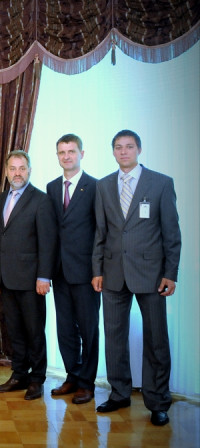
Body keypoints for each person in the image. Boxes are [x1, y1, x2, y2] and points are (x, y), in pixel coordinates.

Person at [92, 130, 181, 427]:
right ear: (113, 152)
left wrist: (170, 273)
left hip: (151, 275)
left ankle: (158, 402)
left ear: (139, 149)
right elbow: (100, 232)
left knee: (156, 339)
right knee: (114, 338)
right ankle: (119, 393)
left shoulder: (161, 183)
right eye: (118, 147)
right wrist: (97, 270)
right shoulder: (104, 185)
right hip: (113, 274)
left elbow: (172, 233)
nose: (124, 151)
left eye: (129, 147)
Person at [0, 150, 57, 401]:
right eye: (13, 168)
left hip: (31, 280)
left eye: (22, 168)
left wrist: (44, 276)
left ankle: (37, 379)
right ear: (7, 171)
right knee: (15, 331)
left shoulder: (41, 200)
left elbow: (48, 242)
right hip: (6, 278)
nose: (17, 173)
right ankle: (19, 375)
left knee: (34, 331)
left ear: (29, 170)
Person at [45, 134, 100, 405]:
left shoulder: (96, 187)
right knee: (65, 329)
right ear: (57, 156)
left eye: (71, 151)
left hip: (87, 272)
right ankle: (73, 375)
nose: (66, 156)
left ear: (81, 153)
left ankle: (87, 383)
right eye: (62, 152)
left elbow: (101, 231)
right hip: (60, 272)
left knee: (88, 329)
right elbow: (52, 231)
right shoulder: (52, 187)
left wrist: (99, 270)